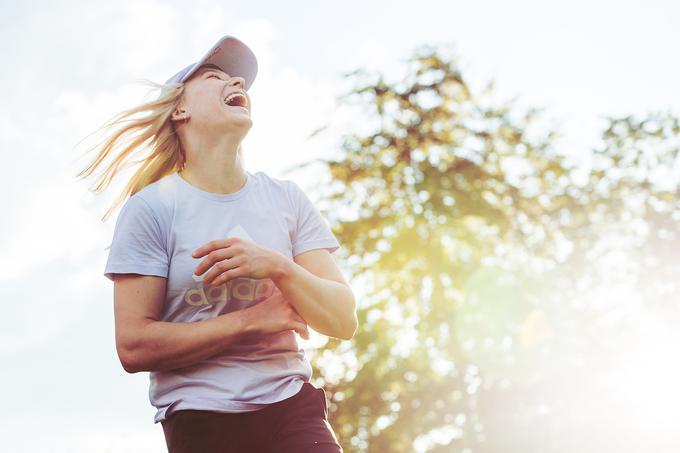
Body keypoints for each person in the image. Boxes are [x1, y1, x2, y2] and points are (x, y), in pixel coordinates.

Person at [76, 34, 356, 453]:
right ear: (180, 109)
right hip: (200, 419)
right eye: (214, 76)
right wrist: (253, 319)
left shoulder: (286, 198)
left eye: (239, 80)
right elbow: (133, 346)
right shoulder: (150, 209)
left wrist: (278, 266)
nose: (236, 84)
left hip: (290, 407)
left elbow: (343, 319)